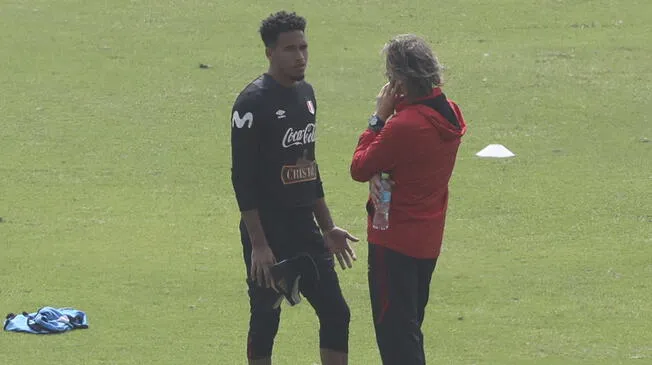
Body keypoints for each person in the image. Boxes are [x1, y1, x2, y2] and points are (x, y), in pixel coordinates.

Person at [230, 11, 358, 365]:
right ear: (270, 52)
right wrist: (258, 244)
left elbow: (309, 167)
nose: (300, 56)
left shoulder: (307, 95)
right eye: (290, 49)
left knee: (337, 313)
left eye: (303, 47)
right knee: (266, 318)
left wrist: (328, 226)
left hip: (306, 230)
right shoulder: (251, 104)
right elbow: (242, 178)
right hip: (269, 234)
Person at [349, 34, 467, 365]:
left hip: (394, 240)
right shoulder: (450, 114)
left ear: (398, 80)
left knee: (396, 338)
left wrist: (378, 118)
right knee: (410, 327)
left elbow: (360, 167)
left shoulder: (405, 126)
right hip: (427, 239)